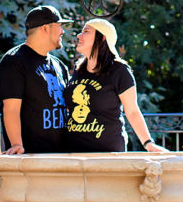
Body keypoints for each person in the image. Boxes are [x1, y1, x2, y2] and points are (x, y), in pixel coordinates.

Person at [64, 18, 166, 153]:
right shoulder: (78, 71)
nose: (79, 35)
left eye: (86, 31)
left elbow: (132, 111)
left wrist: (148, 143)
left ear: (102, 38)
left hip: (108, 153)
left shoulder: (119, 71)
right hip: (74, 153)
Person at [0, 5, 71, 154]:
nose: (63, 31)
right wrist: (16, 145)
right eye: (60, 26)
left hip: (63, 157)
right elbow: (11, 109)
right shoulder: (14, 62)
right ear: (45, 28)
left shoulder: (60, 66)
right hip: (32, 159)